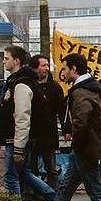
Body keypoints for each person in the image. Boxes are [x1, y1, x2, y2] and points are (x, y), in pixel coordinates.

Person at [47, 53, 101, 201]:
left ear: (74, 70)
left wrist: (76, 143)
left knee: (94, 190)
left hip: (85, 149)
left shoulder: (81, 92)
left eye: (65, 68)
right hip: (85, 148)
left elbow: (82, 121)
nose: (63, 72)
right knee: (66, 187)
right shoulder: (86, 89)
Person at [0, 45, 56, 201]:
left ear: (16, 61)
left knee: (11, 177)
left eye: (6, 58)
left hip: (15, 140)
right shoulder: (16, 81)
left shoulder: (21, 84)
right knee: (24, 174)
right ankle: (55, 199)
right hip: (17, 139)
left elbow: (23, 116)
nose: (4, 62)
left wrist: (18, 147)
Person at [29, 54, 66, 188]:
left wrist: (66, 129)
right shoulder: (29, 86)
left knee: (51, 167)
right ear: (35, 68)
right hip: (32, 133)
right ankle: (35, 191)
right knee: (31, 168)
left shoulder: (55, 88)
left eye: (47, 65)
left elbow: (62, 110)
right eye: (43, 65)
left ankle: (53, 192)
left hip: (49, 134)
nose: (46, 68)